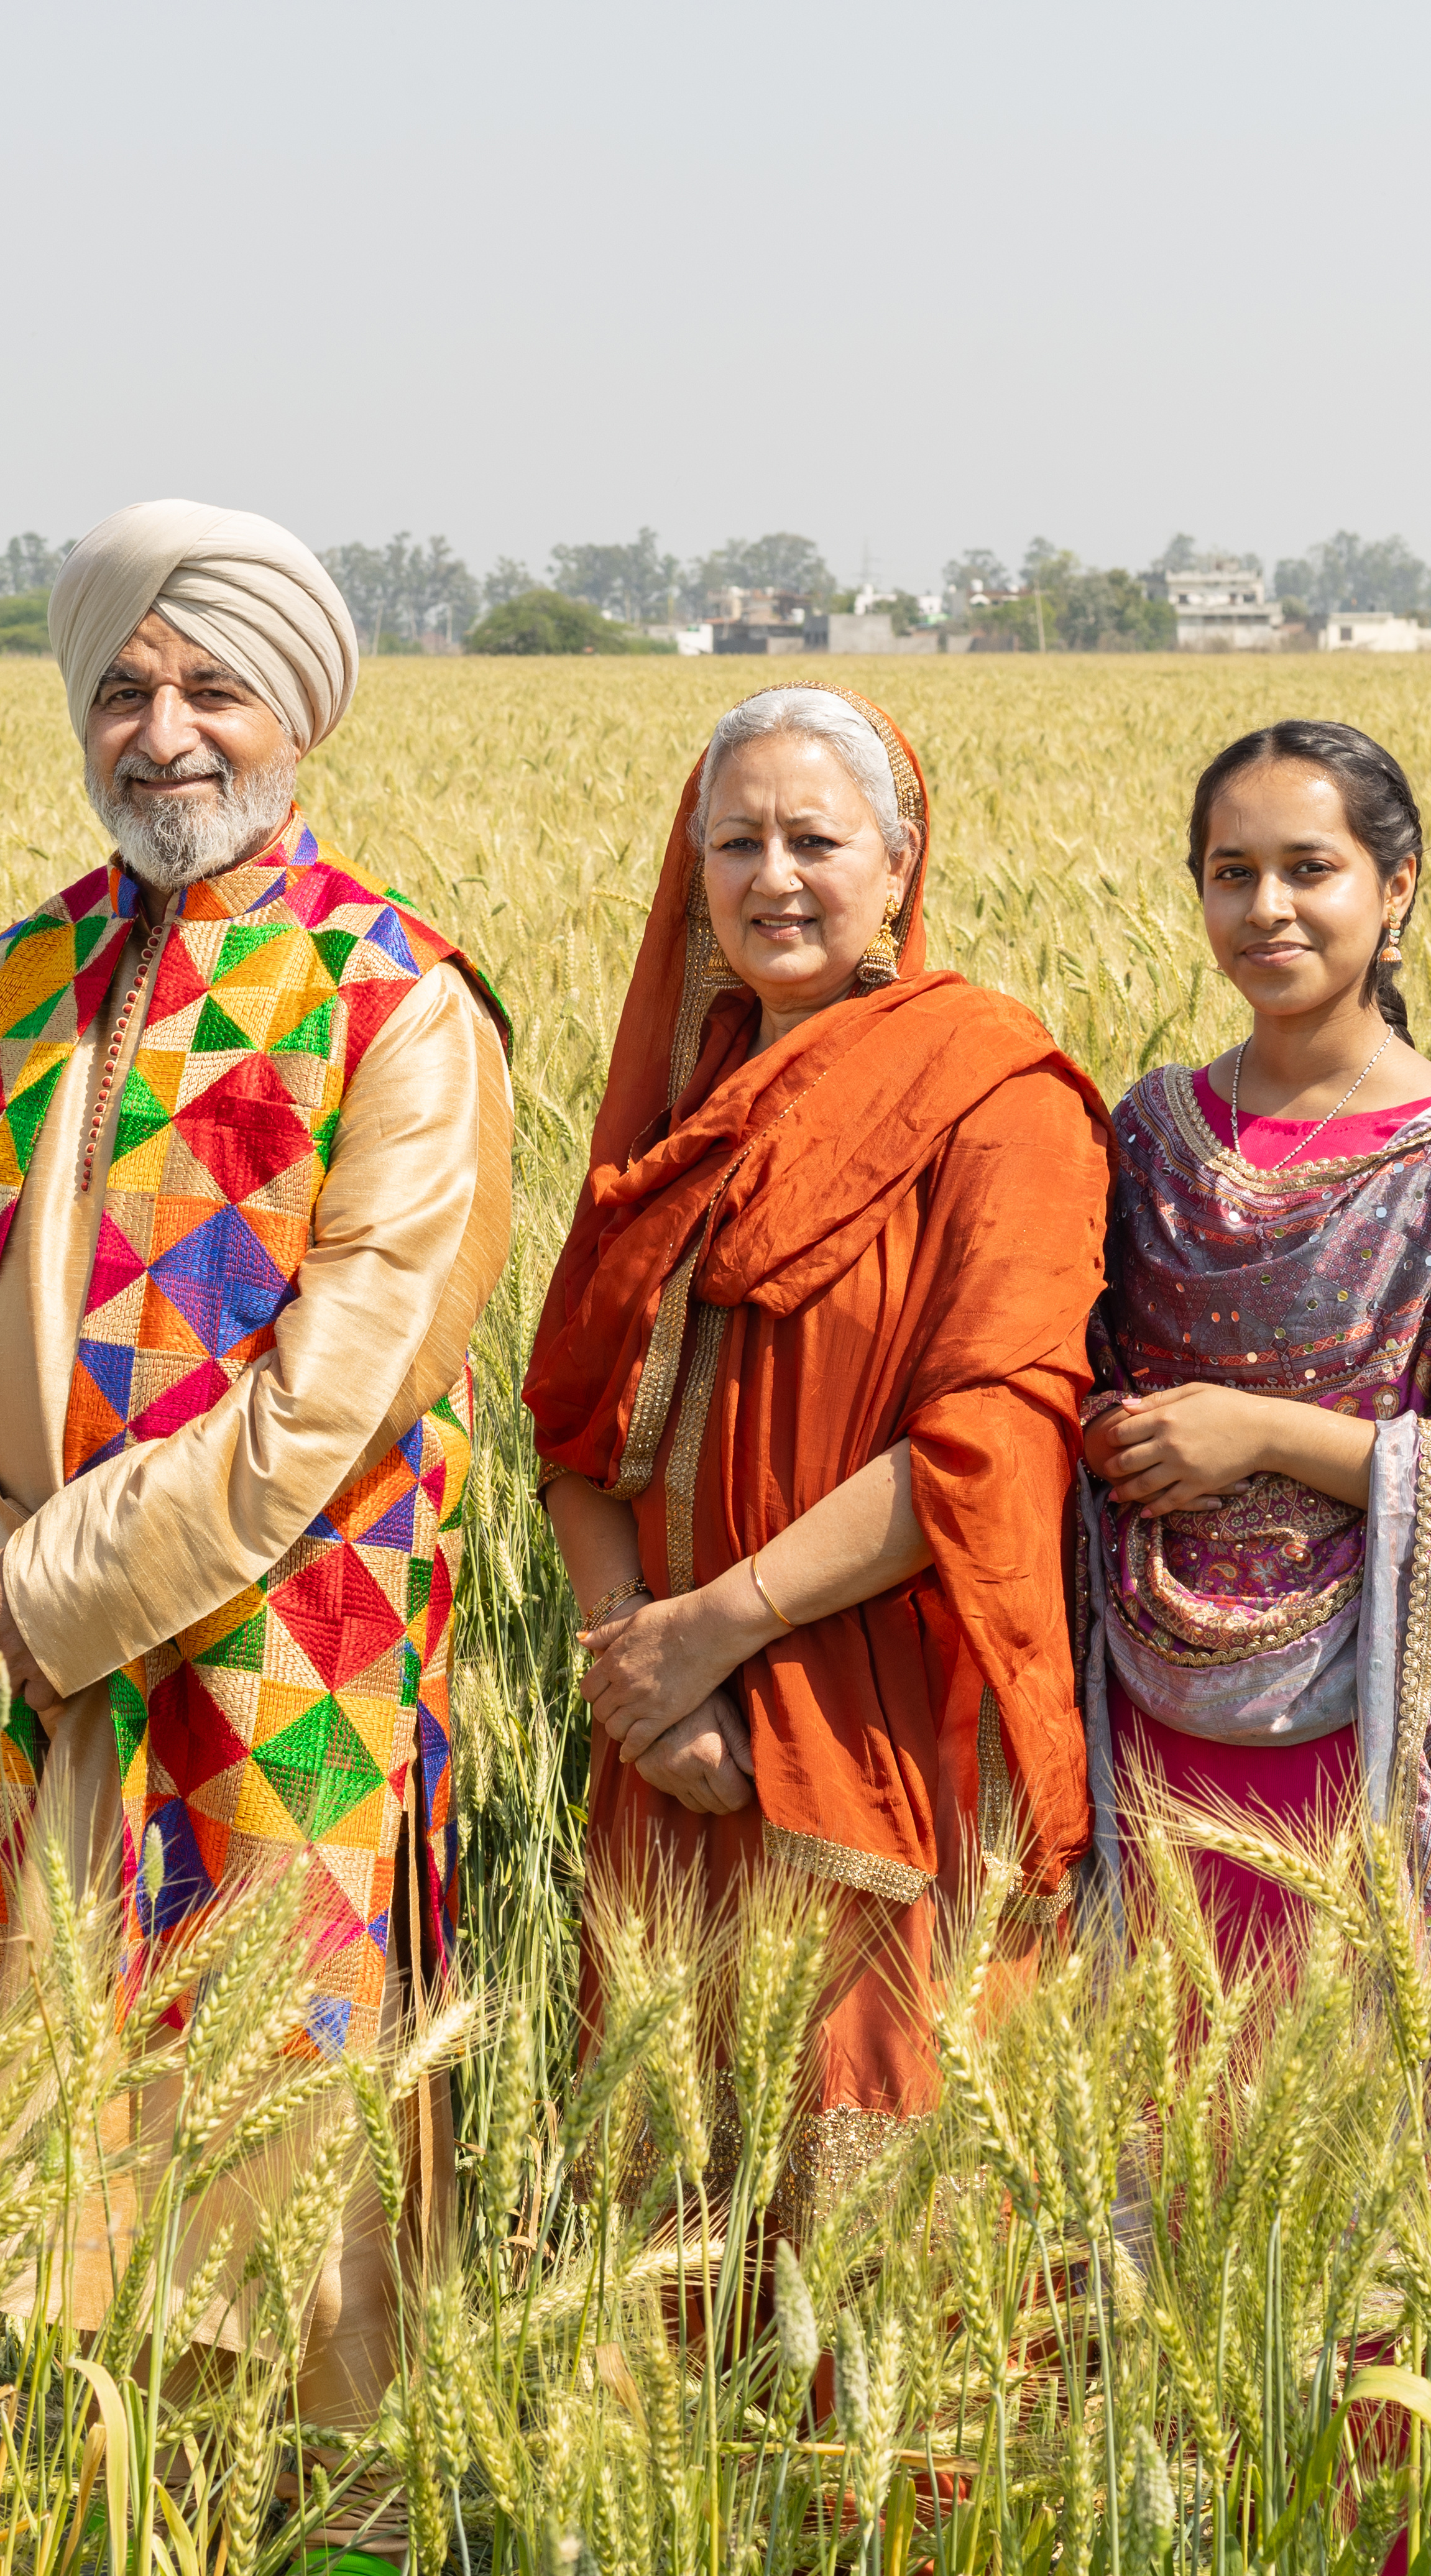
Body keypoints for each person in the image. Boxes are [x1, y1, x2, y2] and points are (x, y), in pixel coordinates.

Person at [0, 499, 511, 2576]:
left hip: (272, 1661)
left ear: (293, 707)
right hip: (13, 1669)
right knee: (34, 2097)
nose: (161, 727)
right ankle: (72, 2553)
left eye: (209, 683)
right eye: (124, 685)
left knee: (278, 2104)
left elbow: (337, 1388)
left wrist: (47, 1591)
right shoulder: (17, 975)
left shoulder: (392, 996)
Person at [522, 685, 1110, 2216]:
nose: (772, 876)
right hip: (668, 1751)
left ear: (901, 864)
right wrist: (636, 1672)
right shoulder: (679, 1109)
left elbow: (987, 1442)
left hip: (875, 1739)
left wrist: (713, 1632)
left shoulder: (999, 1094)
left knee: (881, 2210)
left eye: (813, 837)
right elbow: (574, 1426)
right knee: (668, 2200)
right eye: (735, 842)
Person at [1077, 722, 1431, 1962]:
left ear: (1396, 883)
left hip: (1370, 1726)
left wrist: (1263, 1432)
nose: (1268, 909)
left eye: (1311, 869)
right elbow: (1057, 1369)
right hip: (1141, 1705)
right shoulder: (1147, 1135)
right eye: (1230, 872)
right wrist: (1100, 1426)